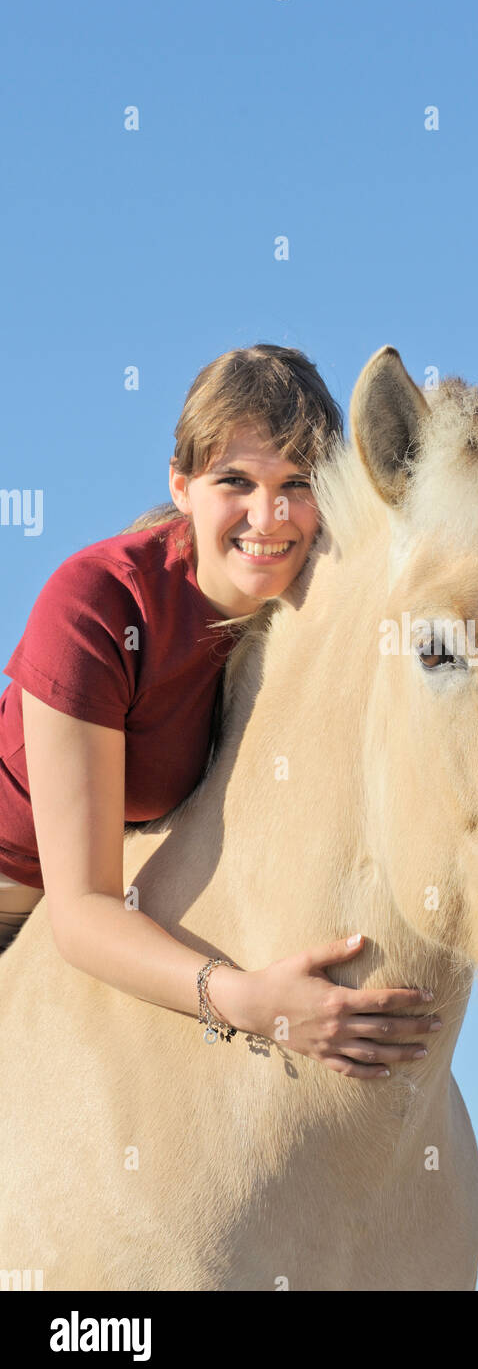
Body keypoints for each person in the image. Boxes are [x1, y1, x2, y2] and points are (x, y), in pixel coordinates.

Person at [0, 343, 442, 1077]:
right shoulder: (98, 605)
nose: (267, 516)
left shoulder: (307, 617)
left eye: (296, 484)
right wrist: (249, 1001)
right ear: (181, 486)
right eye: (234, 480)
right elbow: (80, 914)